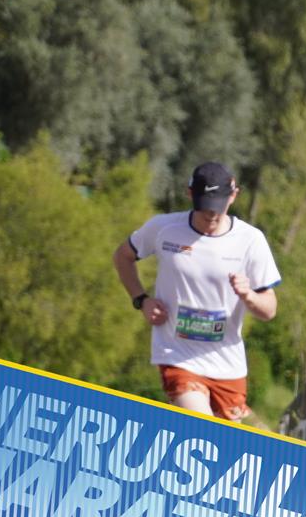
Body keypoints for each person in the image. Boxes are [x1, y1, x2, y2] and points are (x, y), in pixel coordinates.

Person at [113, 162, 280, 422]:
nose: (211, 215)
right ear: (190, 193)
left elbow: (269, 310)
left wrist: (249, 295)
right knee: (202, 429)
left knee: (226, 442)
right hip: (178, 356)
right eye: (204, 207)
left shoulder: (251, 240)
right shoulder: (164, 228)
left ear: (234, 196)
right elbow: (122, 257)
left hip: (227, 364)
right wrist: (141, 300)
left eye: (218, 207)